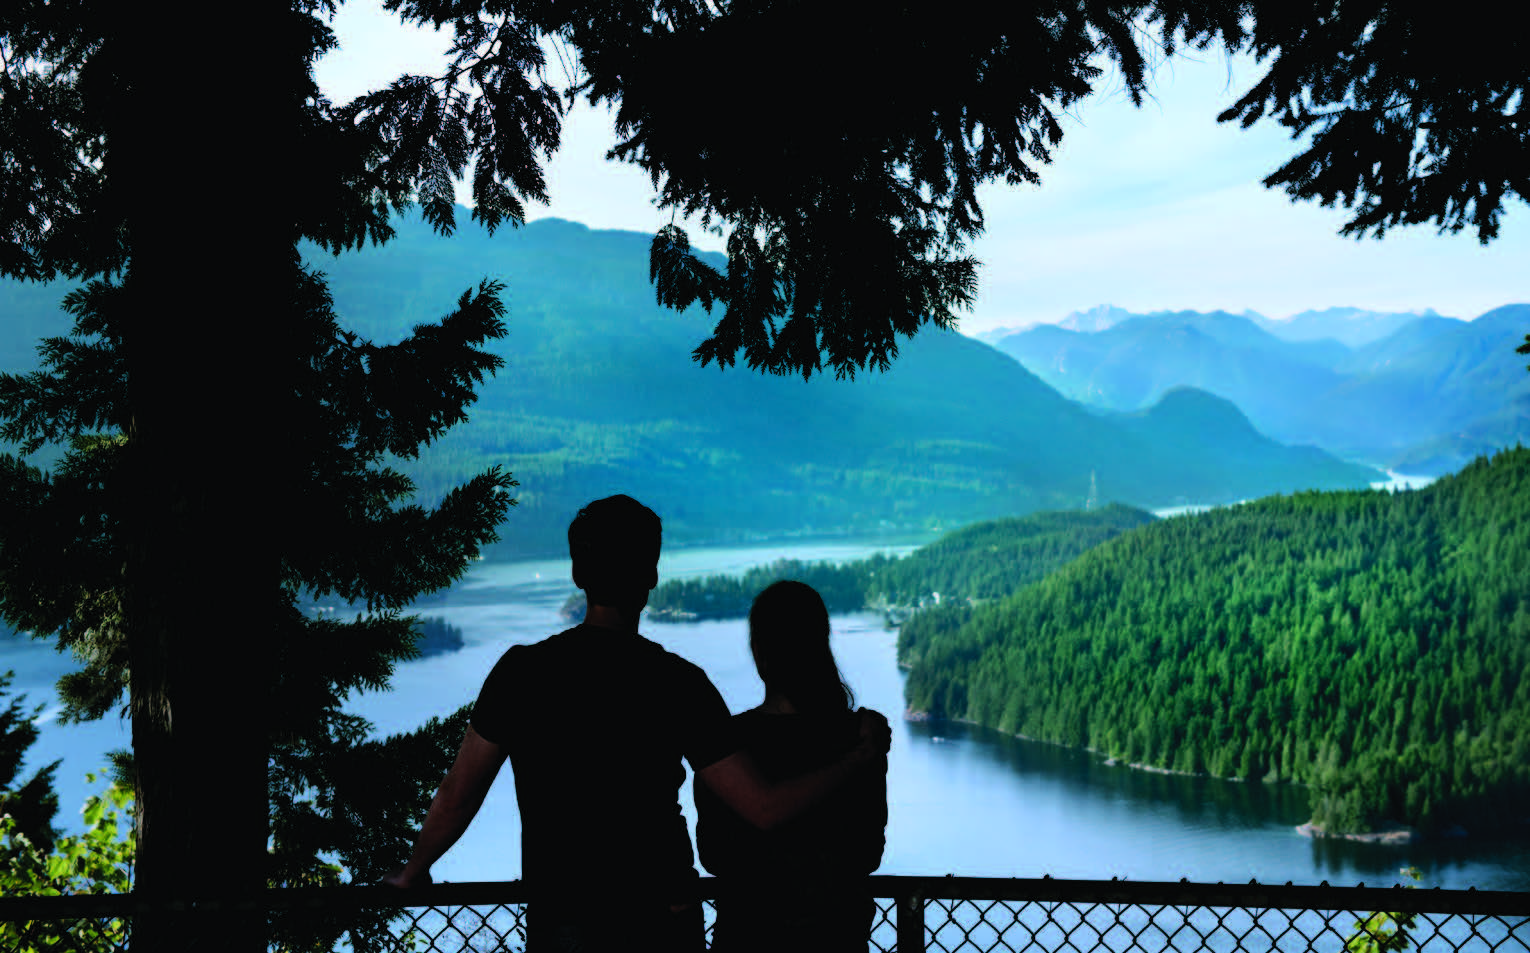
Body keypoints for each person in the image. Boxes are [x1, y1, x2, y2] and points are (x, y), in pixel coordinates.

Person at [383, 495, 889, 953]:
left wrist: (415, 869)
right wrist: (860, 758)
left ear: (579, 574)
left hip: (563, 918)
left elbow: (459, 793)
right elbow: (762, 807)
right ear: (650, 577)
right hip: (662, 919)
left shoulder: (521, 672)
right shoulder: (679, 682)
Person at [694, 580, 889, 953]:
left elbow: (714, 855)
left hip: (746, 934)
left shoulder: (724, 746)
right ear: (821, 647)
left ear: (759, 652)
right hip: (836, 935)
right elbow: (869, 851)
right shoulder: (860, 738)